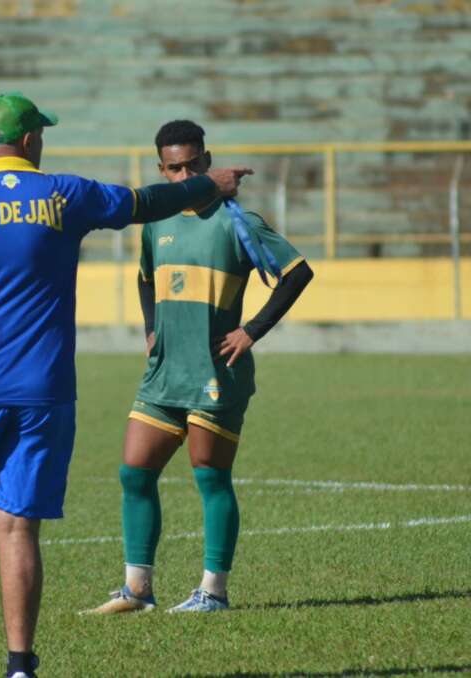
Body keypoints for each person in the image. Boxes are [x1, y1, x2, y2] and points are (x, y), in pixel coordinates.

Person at [0, 93, 252, 678]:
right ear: (27, 142)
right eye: (39, 133)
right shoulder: (65, 194)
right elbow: (148, 203)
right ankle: (20, 666)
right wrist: (209, 185)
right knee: (17, 528)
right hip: (44, 393)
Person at [87, 120, 313, 615]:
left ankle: (213, 592)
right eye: (174, 168)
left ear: (207, 163)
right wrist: (151, 326)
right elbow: (146, 279)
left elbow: (298, 273)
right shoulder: (156, 223)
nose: (183, 173)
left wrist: (251, 330)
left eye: (192, 164)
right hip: (165, 371)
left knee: (210, 476)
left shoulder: (238, 221)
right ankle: (137, 591)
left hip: (216, 372)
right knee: (134, 472)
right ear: (161, 170)